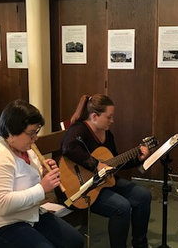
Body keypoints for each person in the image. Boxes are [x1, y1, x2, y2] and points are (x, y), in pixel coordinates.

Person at [0, 99, 84, 248]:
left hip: (25, 214)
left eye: (36, 132)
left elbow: (21, 181)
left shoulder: (24, 146)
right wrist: (42, 188)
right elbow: (1, 206)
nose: (35, 138)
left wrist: (41, 173)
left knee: (74, 241)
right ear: (11, 132)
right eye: (31, 133)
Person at [60, 94, 152, 248]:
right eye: (109, 117)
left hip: (103, 182)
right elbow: (68, 148)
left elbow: (114, 162)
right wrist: (95, 164)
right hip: (82, 188)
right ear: (94, 116)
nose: (112, 120)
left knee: (143, 196)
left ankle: (140, 244)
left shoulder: (107, 134)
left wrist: (138, 159)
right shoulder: (79, 129)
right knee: (121, 207)